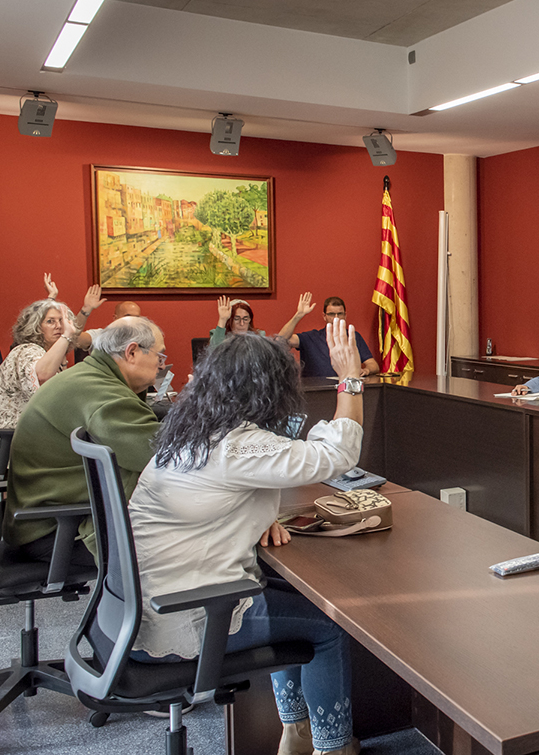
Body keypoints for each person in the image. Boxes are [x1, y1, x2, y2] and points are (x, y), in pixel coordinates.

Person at [128, 320, 364, 755]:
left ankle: (296, 734)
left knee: (295, 600)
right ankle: (333, 747)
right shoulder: (237, 444)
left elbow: (214, 496)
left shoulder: (189, 431)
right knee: (329, 628)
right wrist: (350, 379)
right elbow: (338, 454)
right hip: (185, 616)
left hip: (141, 609)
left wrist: (254, 516)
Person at [5, 316, 165, 567]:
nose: (161, 365)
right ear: (132, 352)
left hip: (41, 522)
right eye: (159, 356)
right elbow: (159, 456)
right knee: (193, 542)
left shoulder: (89, 377)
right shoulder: (104, 394)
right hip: (58, 533)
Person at [0, 282, 105, 463]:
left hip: (38, 438)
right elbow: (42, 378)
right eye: (50, 322)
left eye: (61, 321)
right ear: (35, 327)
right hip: (17, 447)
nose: (58, 326)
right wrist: (67, 334)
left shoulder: (47, 354)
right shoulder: (25, 351)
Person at [277, 291, 380, 376]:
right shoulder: (310, 337)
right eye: (331, 314)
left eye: (340, 314)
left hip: (346, 389)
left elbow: (373, 365)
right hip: (316, 391)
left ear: (345, 315)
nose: (336, 317)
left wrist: (366, 370)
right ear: (324, 316)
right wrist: (298, 315)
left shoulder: (353, 337)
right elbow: (280, 340)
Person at [76, 299, 143, 350]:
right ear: (115, 318)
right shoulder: (100, 336)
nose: (132, 320)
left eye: (136, 318)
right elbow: (76, 339)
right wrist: (85, 310)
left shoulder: (144, 338)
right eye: (127, 316)